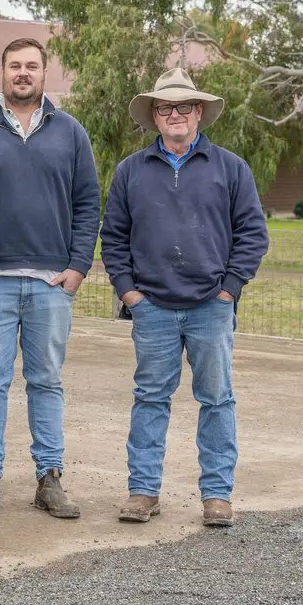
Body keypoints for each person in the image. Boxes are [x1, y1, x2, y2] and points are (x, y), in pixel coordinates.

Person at [100, 67, 269, 528]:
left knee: (216, 399)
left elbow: (253, 234)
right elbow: (113, 237)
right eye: (164, 107)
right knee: (150, 398)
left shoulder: (231, 168)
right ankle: (143, 491)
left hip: (210, 307)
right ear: (154, 116)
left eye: (183, 107)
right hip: (151, 306)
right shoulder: (130, 171)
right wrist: (129, 292)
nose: (174, 114)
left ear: (199, 113)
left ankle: (217, 495)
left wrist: (229, 289)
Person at [0, 36, 100, 521]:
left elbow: (88, 203)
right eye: (15, 66)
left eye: (32, 66)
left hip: (51, 282)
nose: (23, 73)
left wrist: (77, 267)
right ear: (3, 71)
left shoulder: (70, 132)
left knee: (46, 382)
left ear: (44, 73)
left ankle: (49, 478)